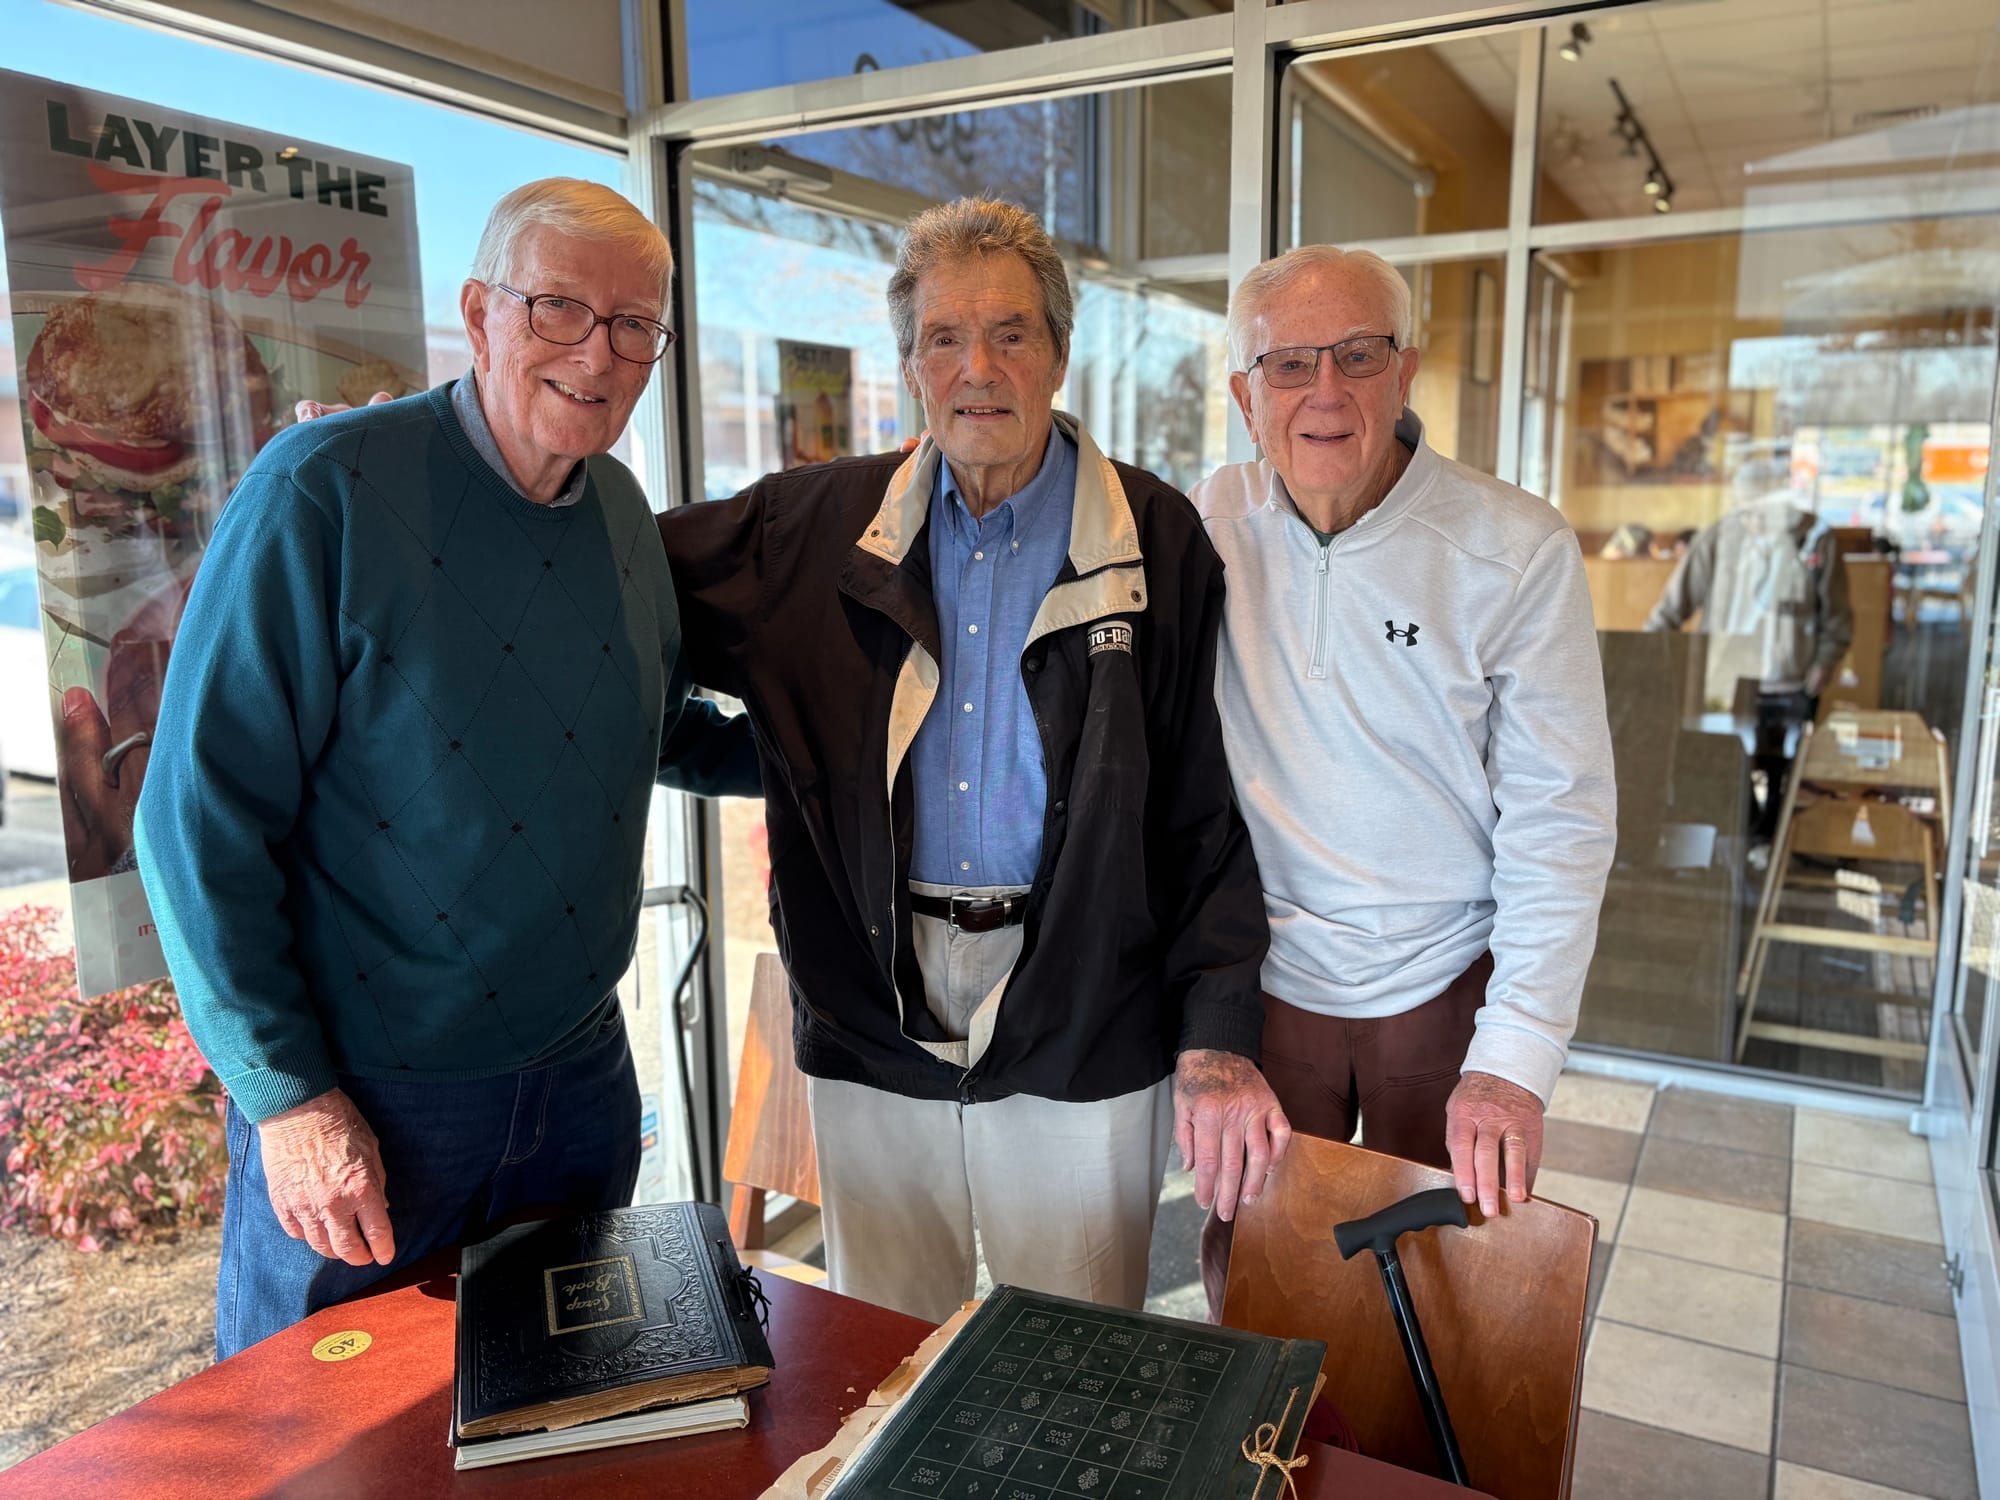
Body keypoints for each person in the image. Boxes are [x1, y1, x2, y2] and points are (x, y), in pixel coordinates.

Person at [135, 178, 759, 1359]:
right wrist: (288, 1100)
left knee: (558, 1418)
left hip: (579, 1085)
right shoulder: (321, 488)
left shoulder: (622, 513)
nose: (598, 353)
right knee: (324, 1436)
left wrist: (860, 755)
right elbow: (193, 819)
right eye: (558, 308)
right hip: (375, 1102)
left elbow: (655, 726)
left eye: (634, 325)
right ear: (478, 314)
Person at [659, 197, 1285, 1324]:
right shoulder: (808, 527)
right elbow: (610, 586)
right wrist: (770, 761)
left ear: (1058, 353)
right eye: (943, 338)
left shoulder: (1155, 536)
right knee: (881, 1349)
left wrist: (1217, 1036)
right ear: (910, 365)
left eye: (1009, 333)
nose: (977, 368)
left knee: (1074, 1351)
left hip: (1085, 996)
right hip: (872, 1001)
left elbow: (1202, 809)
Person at [1189, 245, 1617, 1312]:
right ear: (1244, 396)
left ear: (1406, 370)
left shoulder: (1514, 547)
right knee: (1259, 1288)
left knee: (1442, 1303)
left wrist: (1513, 1057)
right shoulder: (1208, 524)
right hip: (1268, 988)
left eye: (1358, 354)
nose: (1325, 391)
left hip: (1442, 987)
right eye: (1288, 365)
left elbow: (1559, 820)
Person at [1644, 455, 1852, 835]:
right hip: (1726, 677)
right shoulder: (1719, 537)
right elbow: (1673, 606)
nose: (1754, 520)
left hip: (1790, 676)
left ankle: (1770, 838)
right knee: (1723, 760)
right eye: (1746, 512)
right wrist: (1641, 656)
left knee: (1782, 769)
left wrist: (1825, 661)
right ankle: (1738, 838)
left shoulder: (1815, 539)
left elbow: (1836, 614)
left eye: (1762, 511)